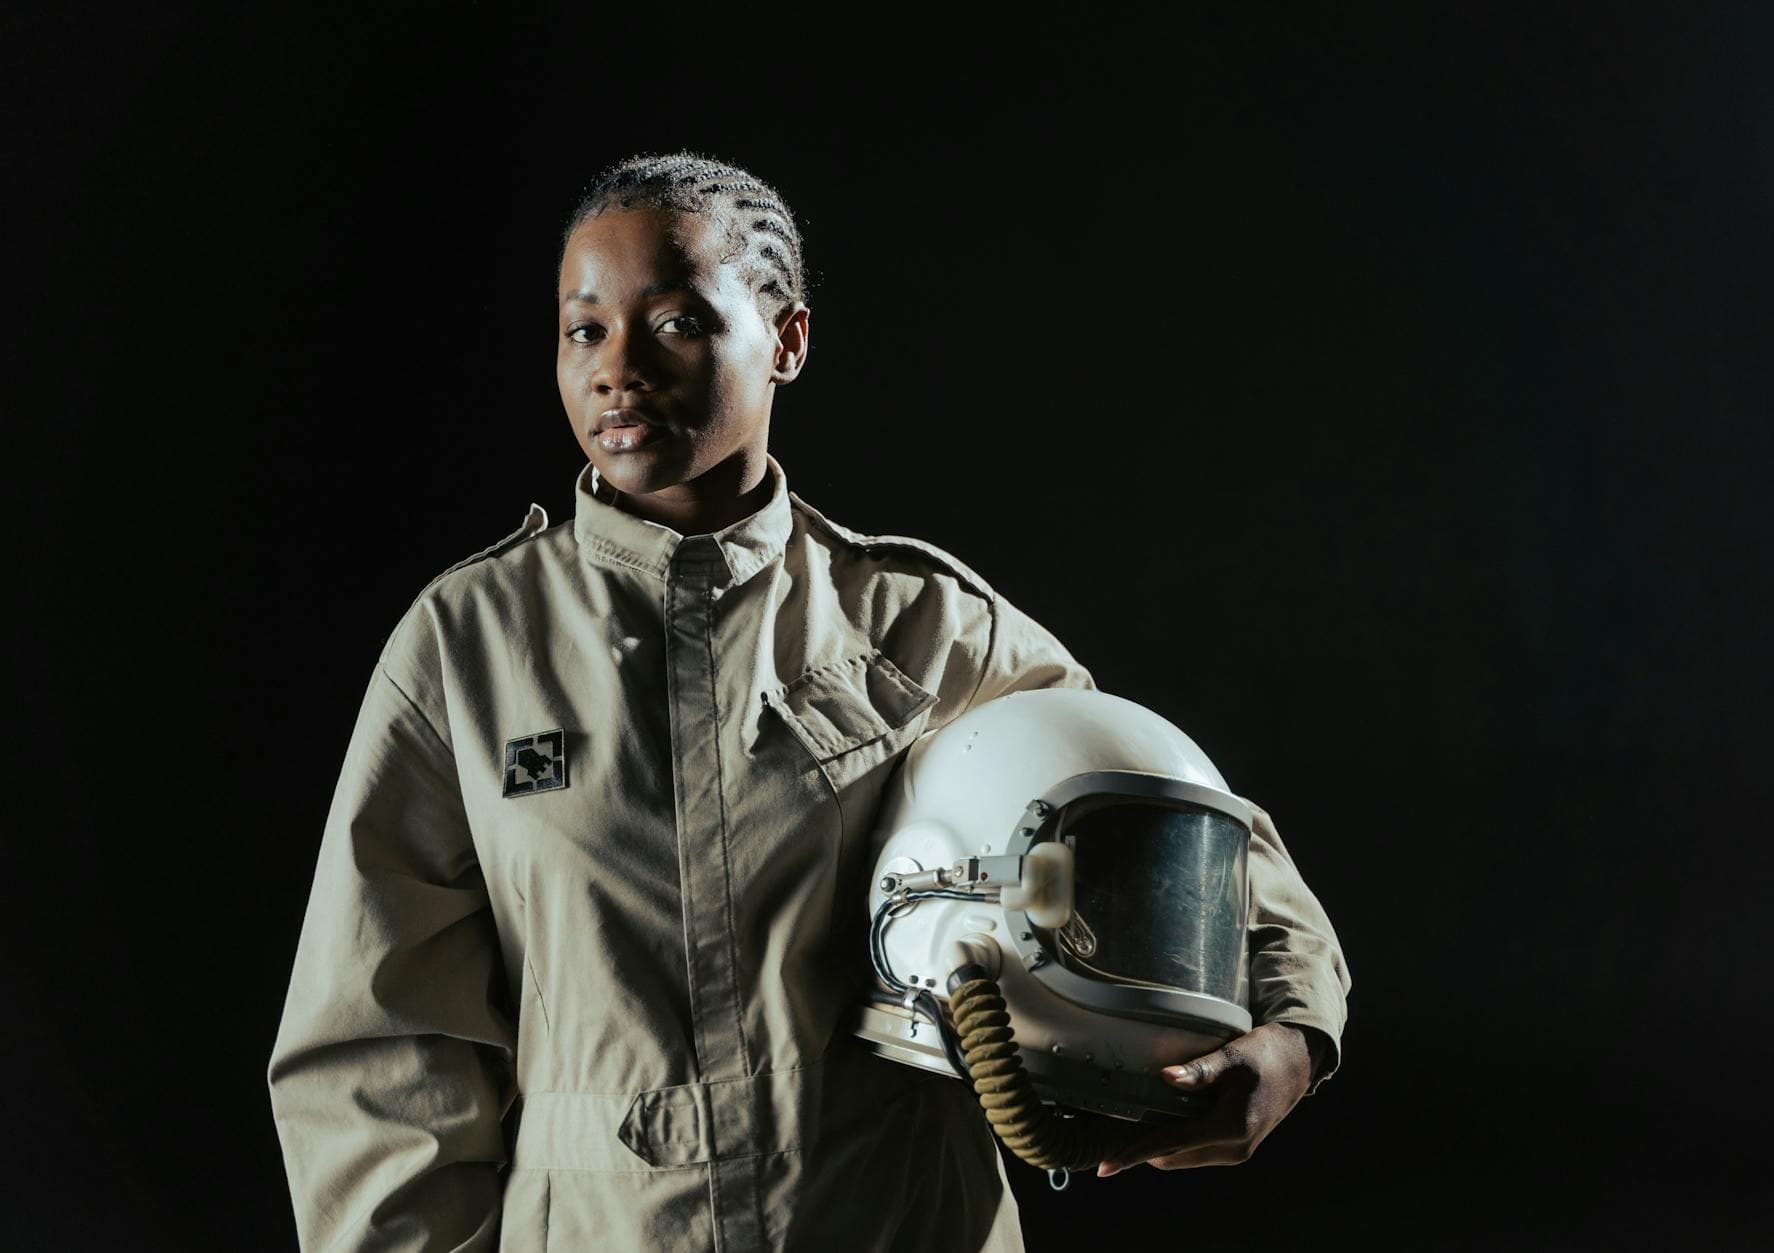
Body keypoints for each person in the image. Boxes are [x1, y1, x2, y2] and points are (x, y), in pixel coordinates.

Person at [266, 151, 1351, 1252]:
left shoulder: (923, 628)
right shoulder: (467, 645)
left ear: (784, 339)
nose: (617, 367)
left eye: (678, 321)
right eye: (583, 329)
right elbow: (380, 1056)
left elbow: (1195, 838)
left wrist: (1292, 1033)